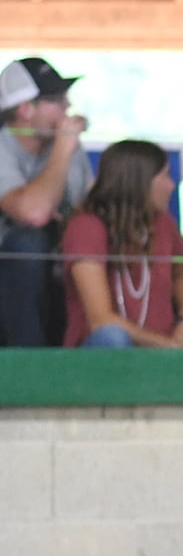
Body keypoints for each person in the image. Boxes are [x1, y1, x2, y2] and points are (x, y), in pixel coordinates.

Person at [59, 139, 183, 349]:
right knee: (113, 337)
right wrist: (170, 346)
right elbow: (101, 320)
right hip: (105, 352)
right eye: (165, 176)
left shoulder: (163, 222)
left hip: (163, 345)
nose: (172, 185)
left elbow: (180, 274)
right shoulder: (86, 227)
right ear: (140, 182)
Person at [0, 56, 93, 347]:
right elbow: (35, 214)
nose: (67, 108)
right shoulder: (6, 147)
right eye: (55, 100)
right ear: (25, 109)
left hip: (57, 264)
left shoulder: (68, 147)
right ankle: (28, 368)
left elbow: (89, 207)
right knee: (28, 243)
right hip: (11, 276)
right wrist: (63, 148)